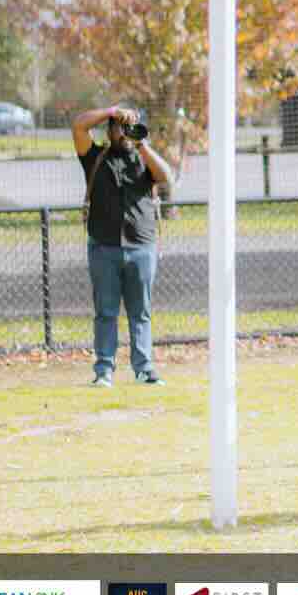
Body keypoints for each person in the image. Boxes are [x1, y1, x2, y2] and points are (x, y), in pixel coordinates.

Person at [71, 104, 176, 386]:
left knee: (140, 312)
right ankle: (104, 370)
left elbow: (166, 176)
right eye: (119, 126)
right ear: (109, 129)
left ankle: (144, 368)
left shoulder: (143, 158)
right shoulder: (94, 157)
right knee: (106, 312)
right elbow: (79, 125)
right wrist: (111, 110)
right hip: (103, 247)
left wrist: (140, 143)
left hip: (142, 246)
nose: (124, 131)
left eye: (129, 125)